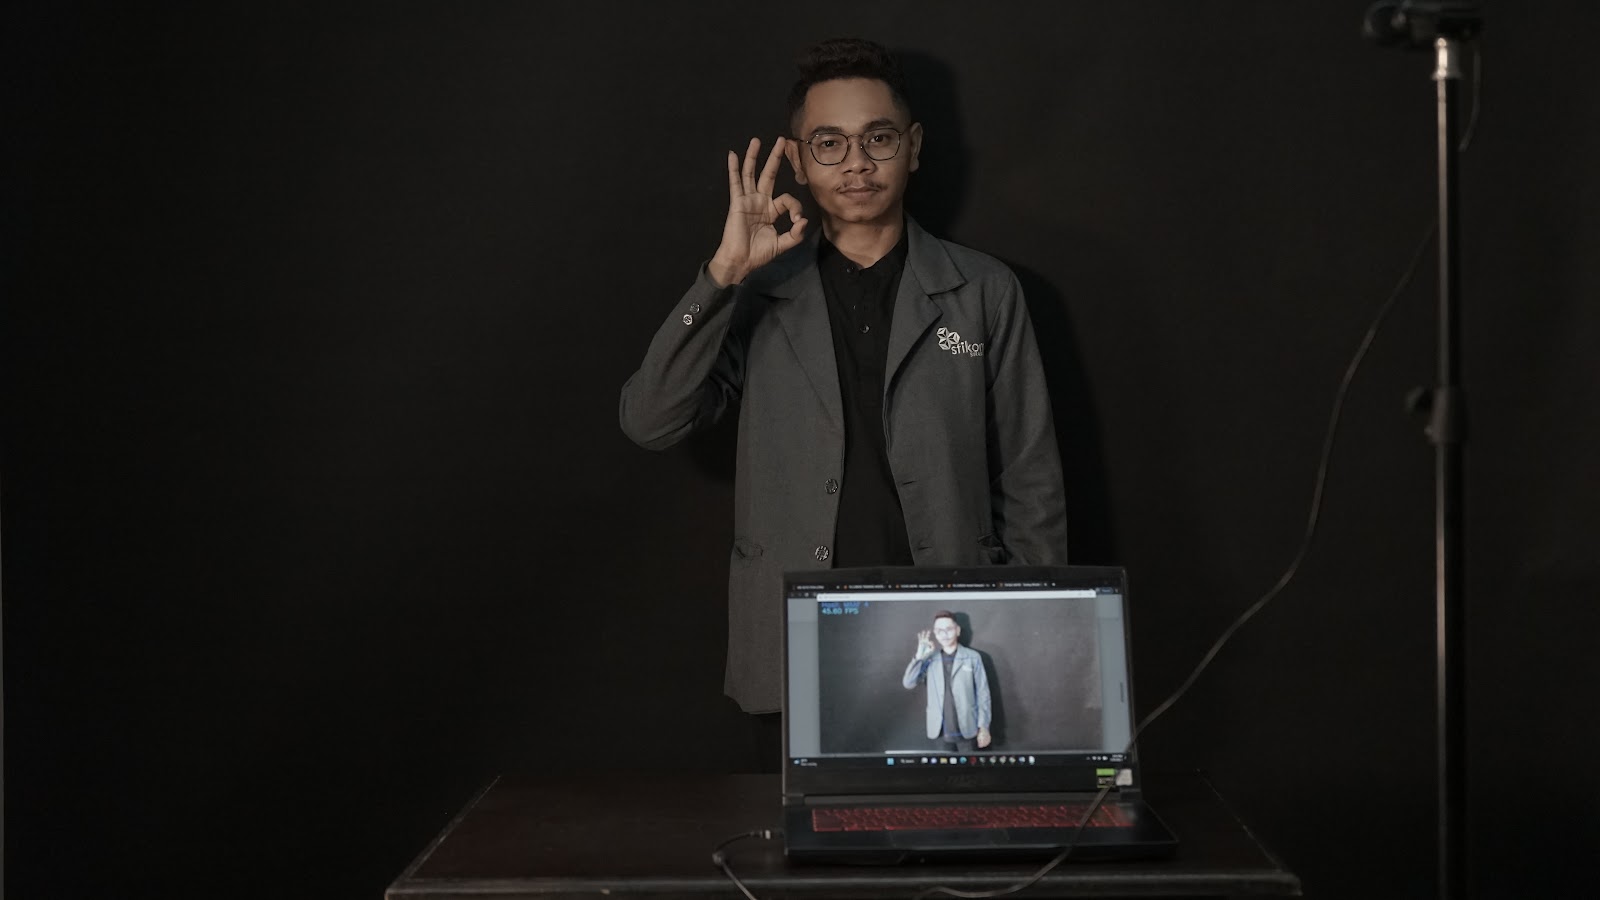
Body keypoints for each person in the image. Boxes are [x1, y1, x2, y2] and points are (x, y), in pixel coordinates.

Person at [619, 38, 1067, 717]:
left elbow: (1030, 479)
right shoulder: (755, 292)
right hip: (796, 630)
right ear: (799, 160)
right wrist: (722, 277)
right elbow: (650, 420)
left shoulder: (983, 290)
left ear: (913, 147)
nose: (857, 162)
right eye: (829, 144)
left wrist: (1029, 632)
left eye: (878, 138)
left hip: (952, 621)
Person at [902, 611, 992, 752]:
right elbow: (908, 683)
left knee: (969, 766)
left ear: (958, 630)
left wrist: (984, 727)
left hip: (968, 729)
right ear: (935, 633)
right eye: (939, 630)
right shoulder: (929, 659)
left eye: (949, 629)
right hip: (940, 732)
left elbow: (983, 694)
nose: (944, 634)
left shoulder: (973, 657)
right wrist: (919, 657)